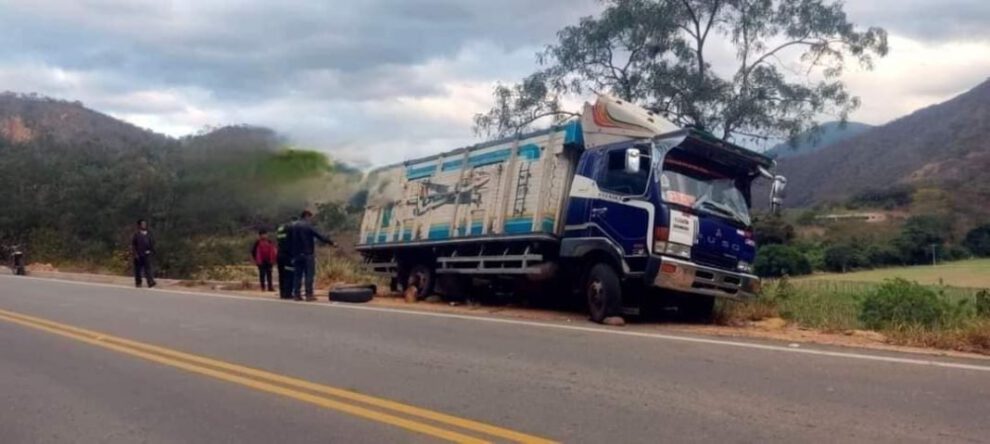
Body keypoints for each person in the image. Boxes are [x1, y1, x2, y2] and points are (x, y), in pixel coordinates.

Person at [288, 210, 334, 301]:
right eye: (310, 217)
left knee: (297, 275)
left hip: (296, 255)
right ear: (306, 216)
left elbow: (289, 241)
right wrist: (331, 242)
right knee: (309, 275)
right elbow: (320, 236)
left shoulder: (293, 226)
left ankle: (297, 295)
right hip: (307, 254)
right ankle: (309, 295)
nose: (310, 219)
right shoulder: (308, 226)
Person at [275, 217, 297, 299]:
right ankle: (288, 294)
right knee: (289, 274)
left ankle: (282, 293)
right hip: (288, 255)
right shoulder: (291, 228)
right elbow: (293, 242)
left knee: (281, 275)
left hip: (279, 254)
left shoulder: (280, 228)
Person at [132, 219, 157, 288]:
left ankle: (150, 282)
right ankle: (138, 283)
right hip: (139, 254)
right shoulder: (136, 234)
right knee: (138, 270)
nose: (144, 225)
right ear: (139, 225)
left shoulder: (148, 234)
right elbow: (133, 245)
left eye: (145, 224)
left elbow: (152, 243)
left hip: (147, 254)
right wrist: (135, 254)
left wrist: (153, 251)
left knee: (148, 269)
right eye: (142, 224)